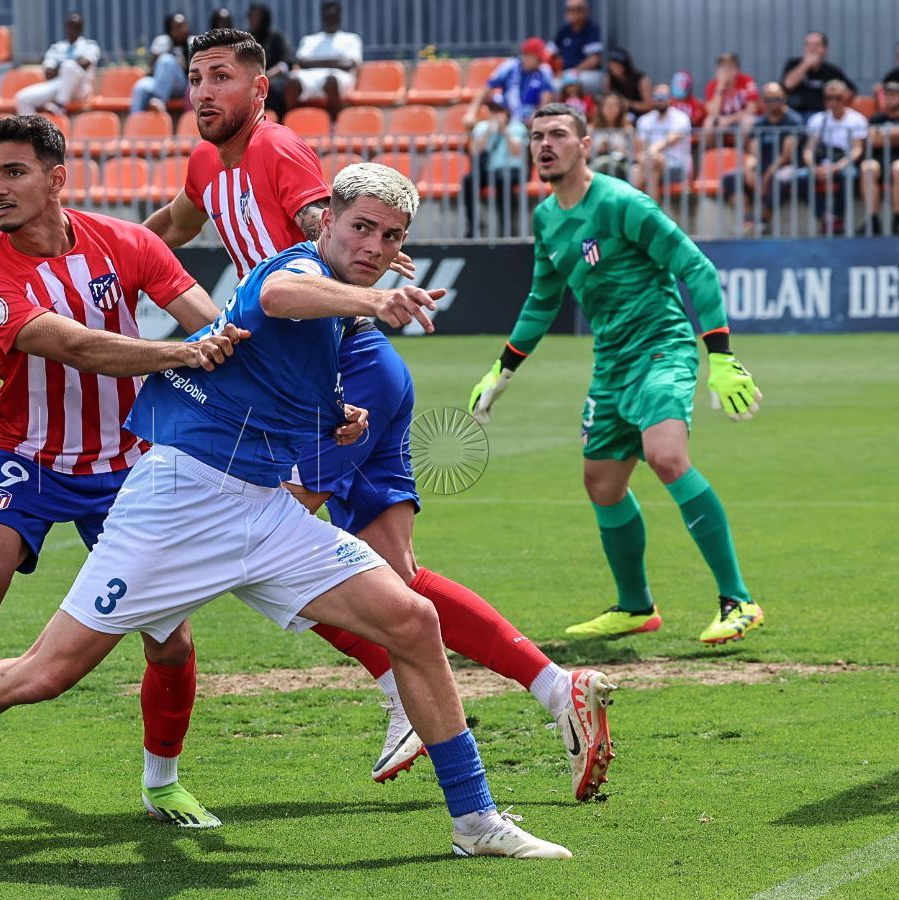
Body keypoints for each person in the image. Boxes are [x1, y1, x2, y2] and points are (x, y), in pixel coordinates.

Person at [0, 162, 576, 861]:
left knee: (413, 620)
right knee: (45, 671)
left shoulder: (335, 318)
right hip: (177, 503)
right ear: (328, 223)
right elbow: (284, 298)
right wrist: (374, 299)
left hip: (259, 510)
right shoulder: (299, 269)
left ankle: (474, 819)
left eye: (389, 238)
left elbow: (281, 378)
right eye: (360, 227)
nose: (373, 246)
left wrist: (336, 415)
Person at [144, 29, 618, 802]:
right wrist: (102, 257)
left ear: (258, 90)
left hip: (336, 370)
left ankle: (396, 683)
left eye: (221, 77)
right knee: (394, 576)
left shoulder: (278, 151)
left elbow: (325, 233)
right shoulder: (205, 163)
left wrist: (366, 262)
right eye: (195, 76)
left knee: (261, 542)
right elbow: (169, 229)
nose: (202, 90)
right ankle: (555, 687)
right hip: (350, 367)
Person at [0, 114, 249, 853]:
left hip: (126, 463)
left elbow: (210, 320)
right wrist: (182, 354)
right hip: (23, 454)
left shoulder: (128, 242)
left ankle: (162, 779)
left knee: (169, 637)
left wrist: (262, 369)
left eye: (13, 172)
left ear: (56, 177)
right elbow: (74, 345)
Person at [468, 102, 766, 646]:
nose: (544, 144)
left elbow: (693, 266)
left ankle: (738, 599)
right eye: (537, 136)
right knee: (602, 484)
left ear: (585, 146)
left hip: (662, 348)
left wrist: (719, 354)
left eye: (558, 134)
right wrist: (503, 369)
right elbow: (542, 299)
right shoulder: (546, 218)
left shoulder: (622, 203)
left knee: (667, 456)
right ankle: (635, 606)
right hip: (611, 363)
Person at [724, 81, 804, 234]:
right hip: (763, 168)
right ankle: (747, 218)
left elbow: (786, 156)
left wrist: (766, 177)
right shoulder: (760, 123)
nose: (773, 103)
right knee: (730, 178)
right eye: (769, 100)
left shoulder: (793, 120)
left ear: (784, 98)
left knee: (779, 180)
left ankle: (763, 221)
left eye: (777, 99)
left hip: (785, 167)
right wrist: (749, 170)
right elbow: (753, 154)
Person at [800, 79, 867, 234]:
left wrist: (837, 167)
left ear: (845, 98)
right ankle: (825, 216)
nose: (832, 102)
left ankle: (838, 217)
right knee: (801, 177)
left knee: (849, 175)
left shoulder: (856, 119)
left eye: (837, 98)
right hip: (822, 163)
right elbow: (809, 148)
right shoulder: (817, 119)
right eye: (828, 98)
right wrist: (813, 168)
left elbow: (857, 150)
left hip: (844, 163)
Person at [461, 99, 530, 237]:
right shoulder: (482, 127)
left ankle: (507, 228)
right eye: (492, 110)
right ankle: (474, 225)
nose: (495, 114)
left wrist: (505, 131)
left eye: (498, 111)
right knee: (469, 181)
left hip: (512, 170)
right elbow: (474, 151)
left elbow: (517, 151)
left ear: (506, 112)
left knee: (503, 181)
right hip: (490, 169)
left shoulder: (517, 127)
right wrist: (488, 133)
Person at [15, 12, 101, 116]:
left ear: (81, 29)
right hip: (59, 85)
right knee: (23, 98)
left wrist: (60, 66)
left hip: (80, 88)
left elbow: (83, 64)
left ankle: (60, 106)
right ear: (66, 27)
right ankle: (32, 131)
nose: (72, 29)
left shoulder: (90, 45)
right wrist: (66, 66)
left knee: (69, 66)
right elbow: (49, 72)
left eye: (76, 26)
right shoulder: (57, 47)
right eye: (70, 26)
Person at [287, 1, 362, 114]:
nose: (331, 19)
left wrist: (314, 62)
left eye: (334, 16)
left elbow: (348, 64)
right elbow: (301, 62)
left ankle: (334, 122)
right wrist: (335, 61)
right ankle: (293, 120)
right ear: (323, 17)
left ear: (339, 17)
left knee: (331, 80)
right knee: (292, 81)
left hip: (339, 77)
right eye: (328, 16)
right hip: (310, 76)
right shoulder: (309, 40)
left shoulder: (352, 39)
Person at [467, 37, 556, 124]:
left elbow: (545, 102)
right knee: (481, 130)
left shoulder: (544, 70)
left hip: (530, 119)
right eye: (538, 58)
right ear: (527, 55)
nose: (541, 61)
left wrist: (536, 117)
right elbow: (486, 88)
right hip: (507, 115)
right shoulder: (509, 67)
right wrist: (471, 113)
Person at [633, 83, 692, 197]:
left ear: (670, 99)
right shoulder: (644, 120)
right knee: (648, 169)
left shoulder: (681, 118)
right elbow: (641, 147)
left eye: (663, 97)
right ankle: (652, 213)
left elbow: (671, 139)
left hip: (677, 166)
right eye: (656, 97)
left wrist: (650, 153)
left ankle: (628, 211)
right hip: (649, 164)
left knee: (644, 167)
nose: (660, 100)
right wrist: (647, 156)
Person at [781, 31, 855, 116]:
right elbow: (788, 85)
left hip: (821, 114)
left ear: (825, 49)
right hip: (795, 113)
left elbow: (850, 90)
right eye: (808, 45)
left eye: (816, 45)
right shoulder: (793, 64)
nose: (812, 49)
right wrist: (806, 65)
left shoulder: (831, 71)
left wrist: (835, 103)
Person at [130, 13, 191, 114]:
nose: (182, 29)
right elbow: (152, 69)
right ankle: (135, 123)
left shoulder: (192, 42)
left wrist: (185, 65)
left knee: (167, 60)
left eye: (184, 25)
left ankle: (158, 100)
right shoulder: (162, 42)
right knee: (141, 86)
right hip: (160, 83)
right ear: (169, 29)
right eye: (177, 27)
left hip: (182, 85)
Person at [860, 80, 899, 236]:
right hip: (879, 160)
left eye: (895, 95)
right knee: (868, 167)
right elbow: (871, 141)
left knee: (898, 169)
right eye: (888, 95)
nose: (891, 99)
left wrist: (882, 135)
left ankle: (897, 217)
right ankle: (873, 219)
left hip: (897, 160)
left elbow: (878, 138)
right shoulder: (876, 118)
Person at [247, 3, 295, 118]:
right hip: (251, 78)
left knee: (269, 88)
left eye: (257, 16)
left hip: (274, 78)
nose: (254, 20)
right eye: (252, 16)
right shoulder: (246, 39)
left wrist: (266, 75)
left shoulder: (276, 38)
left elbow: (285, 62)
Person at [549, 0, 603, 94]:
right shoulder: (564, 30)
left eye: (578, 9)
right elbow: (549, 53)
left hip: (584, 73)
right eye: (569, 9)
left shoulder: (591, 29)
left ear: (586, 11)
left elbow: (594, 60)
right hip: (562, 73)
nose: (574, 12)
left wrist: (571, 72)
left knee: (555, 86)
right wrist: (554, 71)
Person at [703, 52, 760, 134]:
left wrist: (730, 119)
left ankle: (741, 147)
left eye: (730, 67)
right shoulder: (711, 86)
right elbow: (712, 112)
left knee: (748, 121)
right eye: (723, 67)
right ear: (717, 70)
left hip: (741, 118)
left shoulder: (747, 81)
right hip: (722, 120)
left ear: (737, 69)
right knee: (709, 123)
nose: (727, 71)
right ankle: (711, 147)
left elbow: (752, 109)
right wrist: (720, 88)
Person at [590, 91, 634, 180]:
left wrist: (622, 150)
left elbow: (636, 154)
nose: (610, 108)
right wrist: (598, 149)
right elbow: (584, 153)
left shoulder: (628, 129)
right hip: (598, 166)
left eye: (614, 105)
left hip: (621, 166)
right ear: (601, 108)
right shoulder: (591, 129)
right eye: (607, 105)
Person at [604, 47, 652, 116]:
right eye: (612, 66)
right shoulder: (609, 79)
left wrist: (629, 103)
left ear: (625, 65)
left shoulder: (641, 80)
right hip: (617, 117)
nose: (614, 69)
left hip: (639, 116)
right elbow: (606, 100)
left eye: (617, 65)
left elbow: (649, 106)